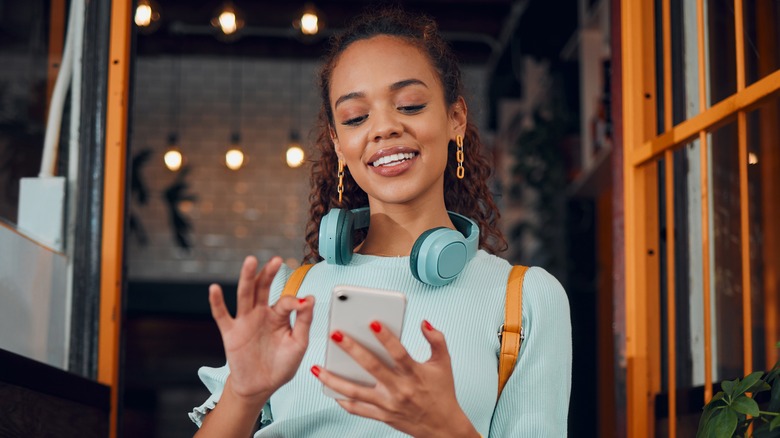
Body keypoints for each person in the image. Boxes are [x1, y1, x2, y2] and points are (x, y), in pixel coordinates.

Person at [189, 7, 571, 437]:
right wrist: (242, 394)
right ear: (337, 142)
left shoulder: (525, 300)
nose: (384, 127)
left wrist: (448, 430)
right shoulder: (289, 296)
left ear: (455, 119)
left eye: (409, 105)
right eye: (355, 118)